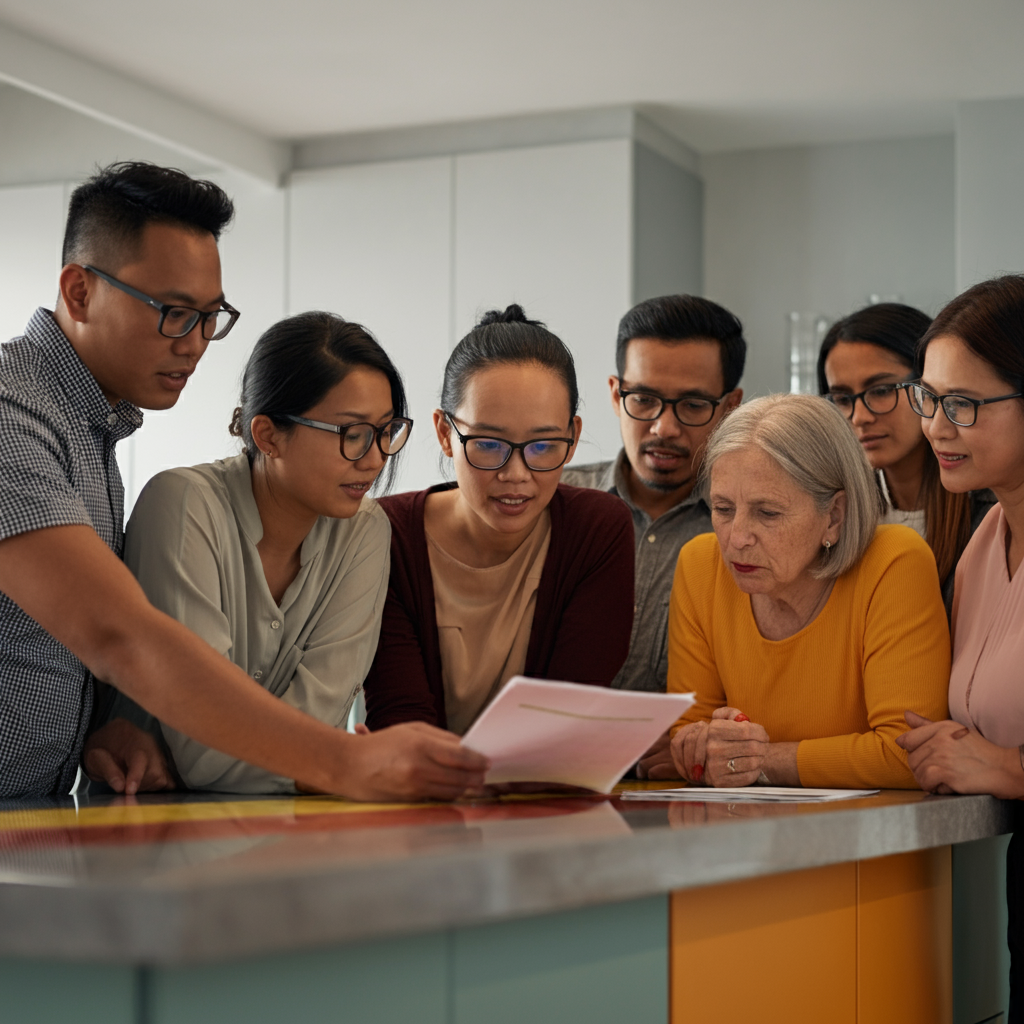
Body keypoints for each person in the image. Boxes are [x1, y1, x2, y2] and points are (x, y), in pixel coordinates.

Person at [0, 161, 486, 802]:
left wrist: (111, 726)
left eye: (211, 316)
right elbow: (114, 632)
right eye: (175, 313)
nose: (197, 343)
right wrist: (341, 762)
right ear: (80, 291)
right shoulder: (14, 415)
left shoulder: (89, 425)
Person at [103, 312, 412, 793]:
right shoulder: (184, 506)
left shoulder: (366, 531)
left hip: (288, 835)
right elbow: (207, 754)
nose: (374, 459)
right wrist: (336, 760)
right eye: (352, 434)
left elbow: (318, 726)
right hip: (149, 835)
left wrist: (323, 756)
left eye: (386, 431)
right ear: (267, 435)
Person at [648, 393, 950, 789]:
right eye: (722, 509)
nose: (736, 537)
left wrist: (759, 760)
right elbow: (690, 742)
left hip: (872, 843)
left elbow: (907, 752)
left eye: (767, 513)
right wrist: (703, 750)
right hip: (742, 841)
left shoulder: (895, 561)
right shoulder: (699, 566)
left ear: (834, 517)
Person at [364, 305, 635, 735]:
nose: (516, 474)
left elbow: (564, 724)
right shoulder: (386, 533)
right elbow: (402, 721)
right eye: (488, 444)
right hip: (425, 796)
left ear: (573, 436)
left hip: (544, 793)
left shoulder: (596, 530)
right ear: (443, 433)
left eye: (544, 445)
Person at [893, 276, 1024, 1018]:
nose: (936, 426)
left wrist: (1008, 765)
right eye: (929, 398)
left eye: (964, 405)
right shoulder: (982, 542)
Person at [563, 294, 745, 694]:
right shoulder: (552, 500)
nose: (664, 428)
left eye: (693, 404)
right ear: (615, 394)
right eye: (644, 400)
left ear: (731, 407)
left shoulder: (751, 529)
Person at [819, 302, 995, 604]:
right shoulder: (836, 510)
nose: (859, 417)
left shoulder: (990, 510)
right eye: (842, 398)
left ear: (927, 387)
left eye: (881, 390)